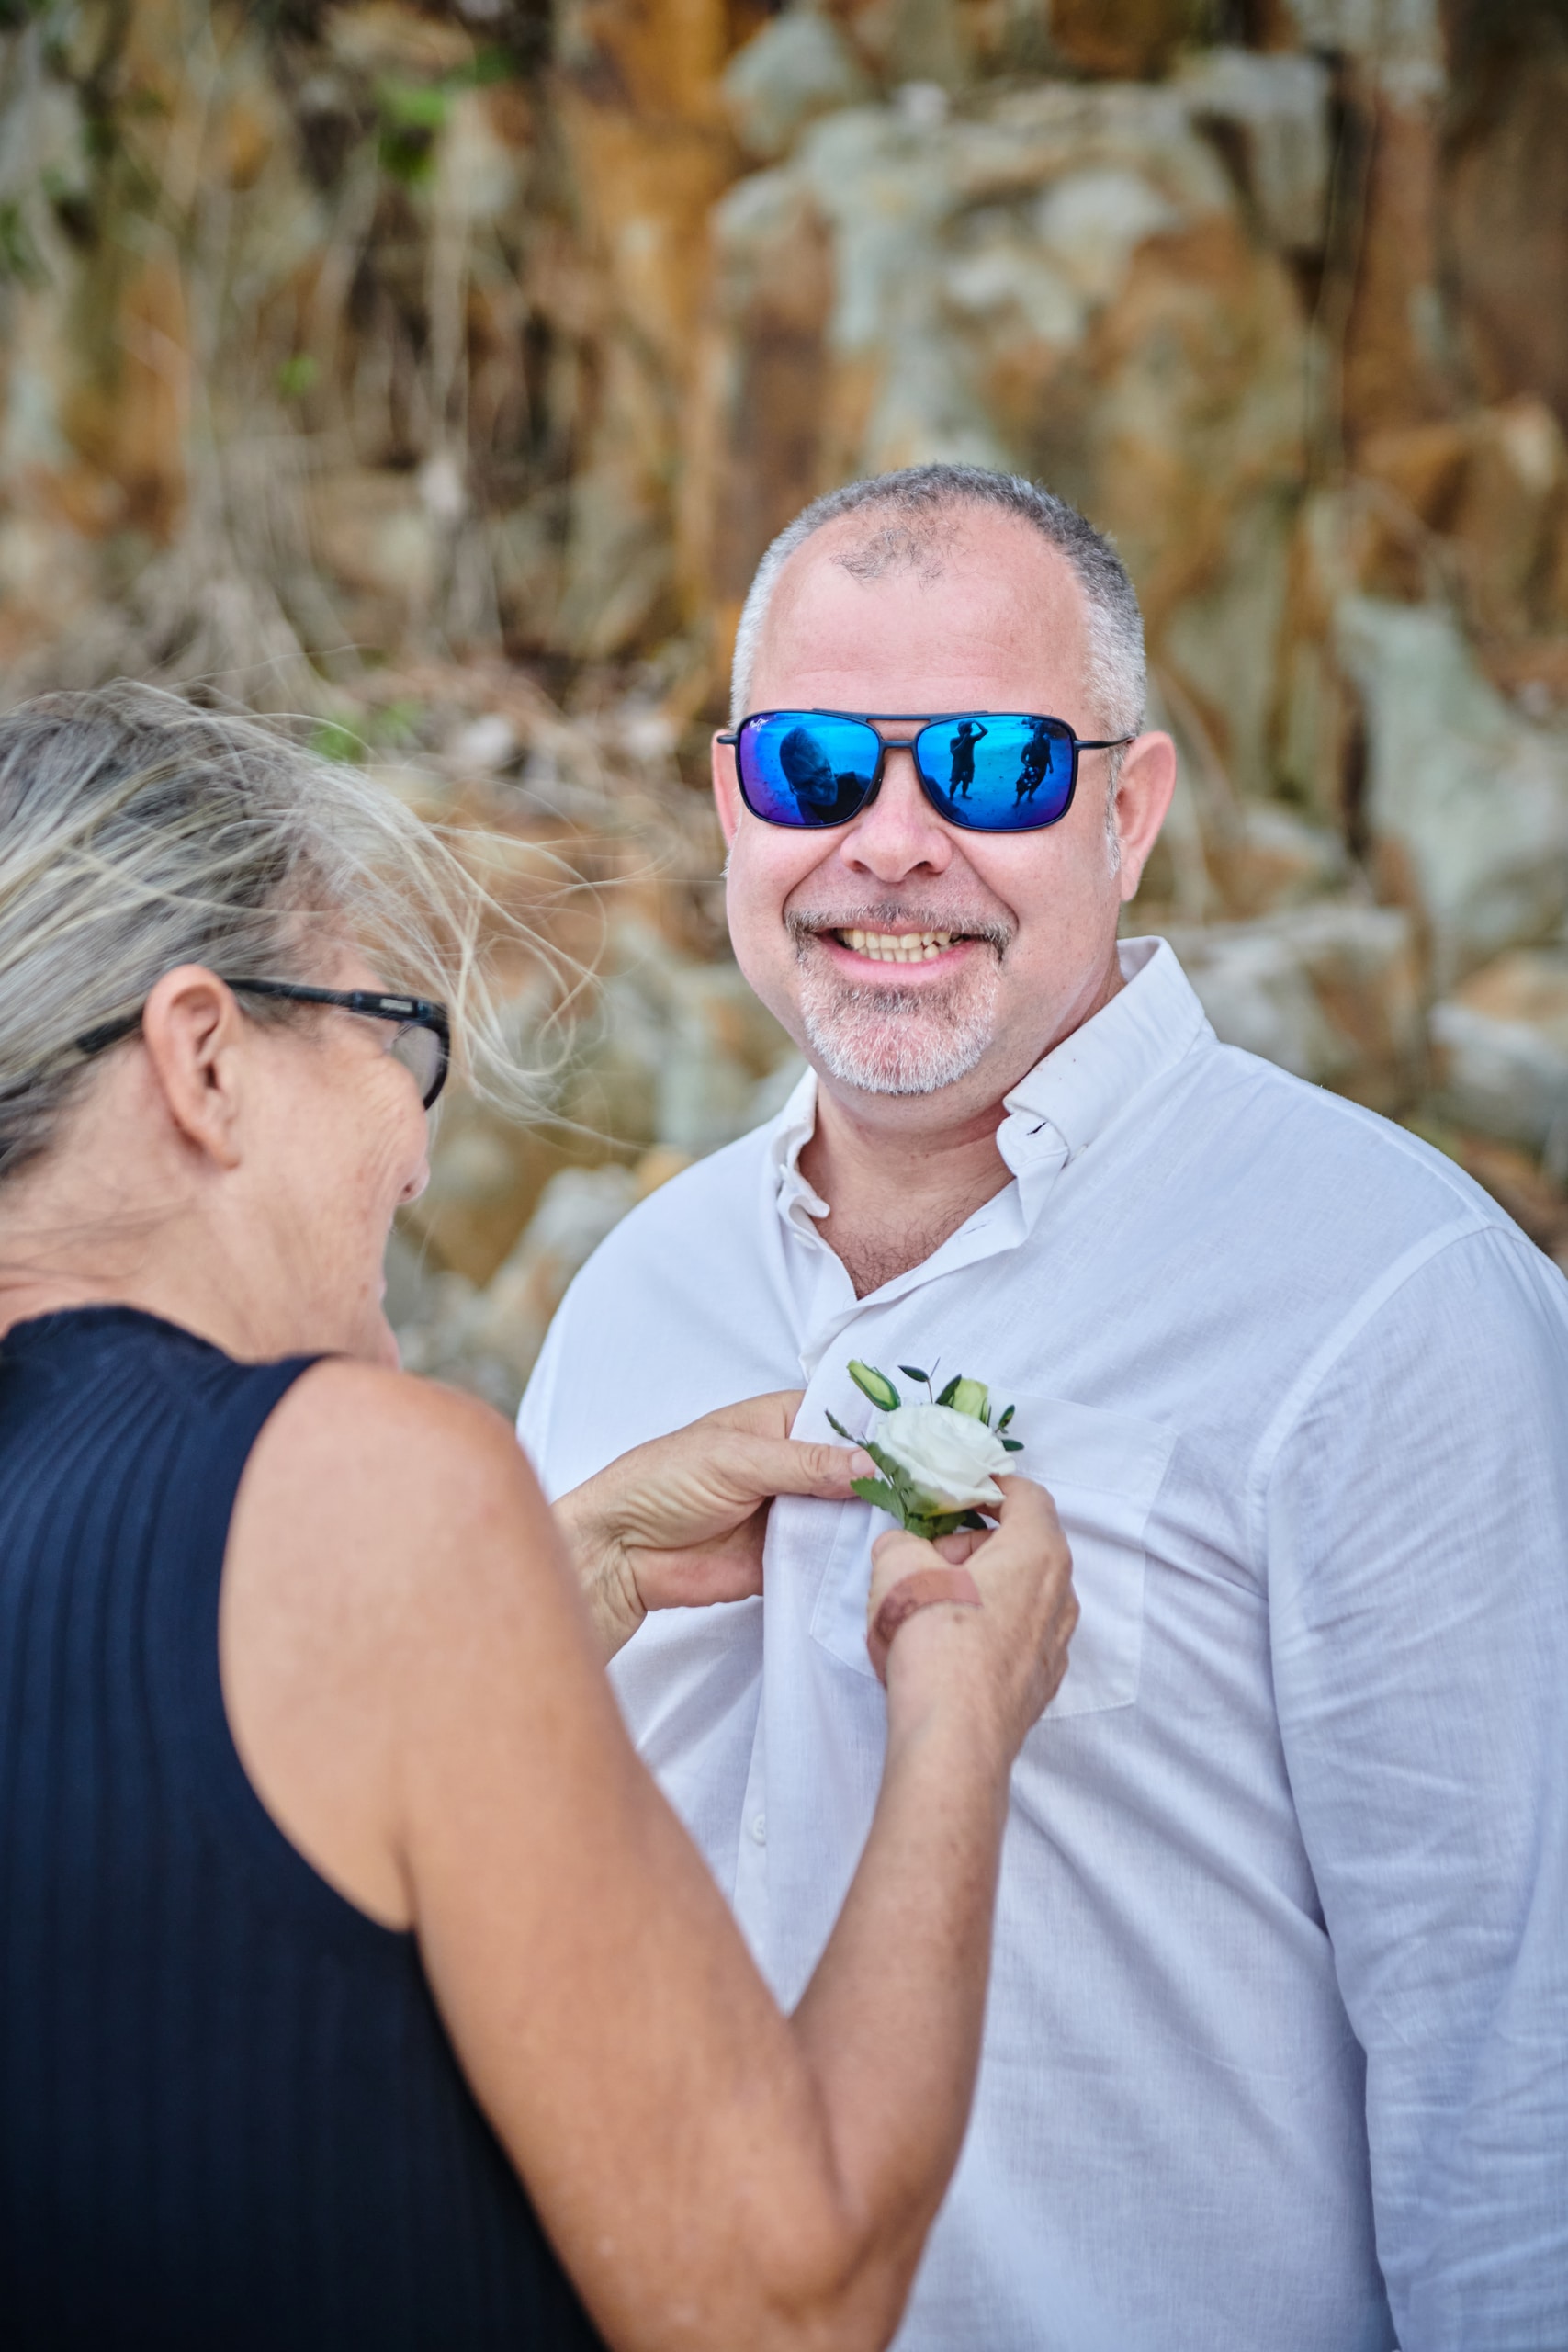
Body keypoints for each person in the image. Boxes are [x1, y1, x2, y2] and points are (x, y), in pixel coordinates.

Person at [520, 463, 1568, 2351]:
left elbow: (1518, 2066)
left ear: (1126, 809)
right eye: (814, 768)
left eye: (991, 766)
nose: (889, 843)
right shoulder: (632, 1299)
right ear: (729, 808)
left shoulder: (1391, 1299)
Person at [0, 684, 1078, 2350]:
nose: (419, 1160)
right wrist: (961, 1721)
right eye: (390, 1037)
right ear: (203, 1059)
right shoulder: (369, 1486)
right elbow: (782, 2296)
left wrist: (550, 1579)